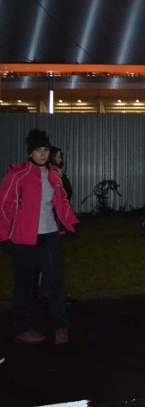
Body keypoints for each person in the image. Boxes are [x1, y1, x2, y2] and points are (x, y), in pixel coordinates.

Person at [0, 129, 79, 345]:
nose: (43, 154)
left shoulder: (54, 174)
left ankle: (61, 327)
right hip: (24, 238)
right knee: (25, 284)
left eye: (45, 149)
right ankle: (22, 328)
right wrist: (3, 236)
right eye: (38, 150)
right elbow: (4, 206)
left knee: (55, 283)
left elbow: (62, 202)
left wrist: (70, 225)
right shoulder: (17, 175)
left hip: (50, 234)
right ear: (30, 152)